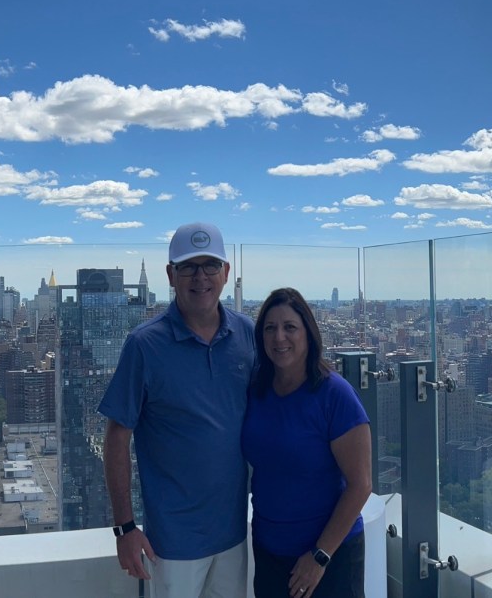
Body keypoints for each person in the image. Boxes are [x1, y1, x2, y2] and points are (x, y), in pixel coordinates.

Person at [99, 222, 256, 597]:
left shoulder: (248, 334)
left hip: (236, 533)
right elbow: (116, 437)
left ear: (226, 273)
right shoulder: (144, 345)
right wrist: (124, 528)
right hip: (172, 543)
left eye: (210, 265)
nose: (200, 277)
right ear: (170, 275)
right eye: (188, 267)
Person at [242, 288, 372, 598]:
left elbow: (361, 484)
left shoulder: (335, 395)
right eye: (270, 328)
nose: (279, 338)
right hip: (269, 551)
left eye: (290, 327)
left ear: (308, 333)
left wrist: (320, 555)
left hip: (328, 557)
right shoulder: (257, 390)